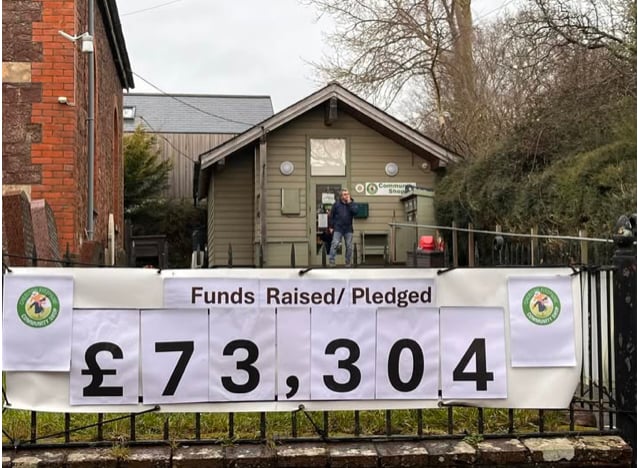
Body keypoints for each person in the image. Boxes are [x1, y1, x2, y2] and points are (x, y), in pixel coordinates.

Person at [328, 188, 358, 267]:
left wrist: (349, 203)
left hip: (348, 228)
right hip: (338, 228)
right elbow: (331, 216)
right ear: (341, 196)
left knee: (349, 246)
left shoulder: (352, 203)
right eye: (345, 194)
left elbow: (355, 212)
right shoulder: (336, 204)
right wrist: (331, 226)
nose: (347, 196)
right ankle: (332, 261)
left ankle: (348, 262)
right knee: (335, 244)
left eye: (347, 194)